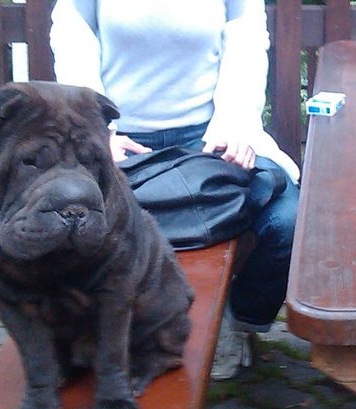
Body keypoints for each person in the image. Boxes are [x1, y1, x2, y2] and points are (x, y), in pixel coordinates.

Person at [50, 0, 298, 380]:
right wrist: (96, 133)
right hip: (120, 143)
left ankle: (237, 322)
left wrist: (236, 122)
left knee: (288, 221)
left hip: (208, 137)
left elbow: (248, 43)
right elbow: (72, 40)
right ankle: (97, 333)